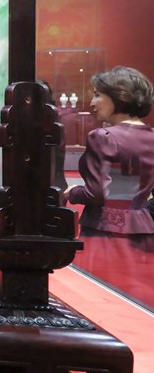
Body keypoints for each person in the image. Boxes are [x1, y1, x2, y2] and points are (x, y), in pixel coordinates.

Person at [64, 66, 154, 281]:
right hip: (144, 229)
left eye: (97, 95)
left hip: (104, 232)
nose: (93, 103)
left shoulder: (102, 137)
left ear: (119, 96)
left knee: (96, 292)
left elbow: (96, 193)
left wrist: (72, 192)